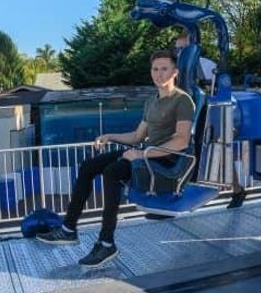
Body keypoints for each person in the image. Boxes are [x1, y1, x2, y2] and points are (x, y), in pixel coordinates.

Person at [37, 50, 195, 267]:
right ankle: (68, 229)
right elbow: (138, 136)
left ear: (175, 72)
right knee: (89, 166)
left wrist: (141, 154)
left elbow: (181, 141)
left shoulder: (183, 101)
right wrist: (109, 136)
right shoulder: (151, 101)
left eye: (164, 69)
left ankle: (106, 242)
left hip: (163, 160)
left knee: (112, 172)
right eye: (155, 69)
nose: (159, 74)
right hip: (145, 154)